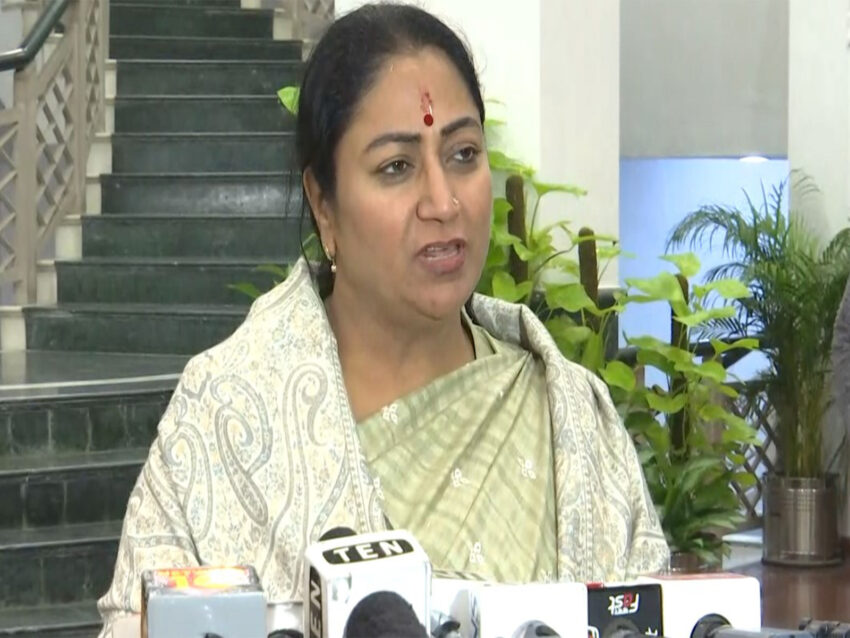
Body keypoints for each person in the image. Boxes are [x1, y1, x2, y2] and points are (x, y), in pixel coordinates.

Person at [97, 3, 669, 635]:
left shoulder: (572, 416)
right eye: (397, 166)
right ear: (325, 205)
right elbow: (137, 621)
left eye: (464, 154)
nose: (443, 202)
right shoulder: (227, 419)